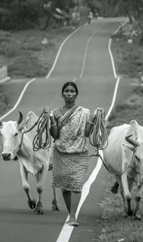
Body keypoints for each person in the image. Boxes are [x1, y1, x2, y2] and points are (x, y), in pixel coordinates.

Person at [48, 81, 96, 227]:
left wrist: (94, 118)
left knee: (76, 184)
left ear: (76, 94)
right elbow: (55, 135)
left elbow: (87, 133)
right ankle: (71, 213)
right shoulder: (55, 113)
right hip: (61, 153)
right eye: (67, 91)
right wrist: (50, 119)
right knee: (64, 186)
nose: (69, 94)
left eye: (72, 91)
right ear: (62, 94)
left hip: (79, 153)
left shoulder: (85, 113)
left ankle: (73, 216)